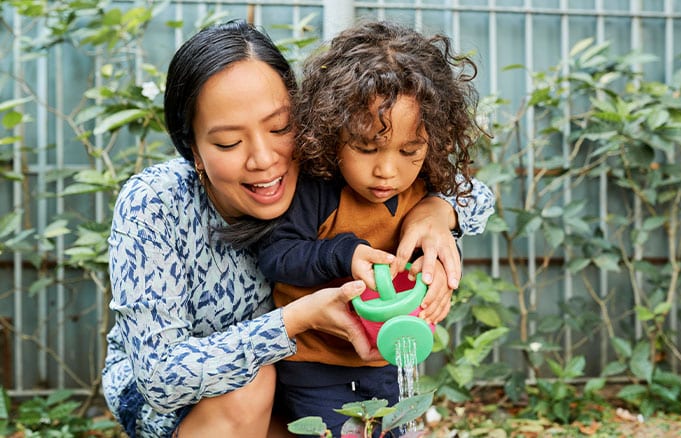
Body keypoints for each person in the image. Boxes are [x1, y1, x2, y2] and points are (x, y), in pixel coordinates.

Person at [101, 19, 494, 438]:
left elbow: (476, 194)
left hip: (300, 388)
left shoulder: (333, 160)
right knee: (251, 385)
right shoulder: (157, 202)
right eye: (229, 143)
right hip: (197, 403)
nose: (263, 158)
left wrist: (438, 211)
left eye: (279, 127)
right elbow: (160, 380)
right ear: (192, 148)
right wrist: (294, 321)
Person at [256, 20, 491, 436]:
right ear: (332, 132)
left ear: (432, 143)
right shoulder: (319, 190)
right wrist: (343, 253)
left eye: (409, 150)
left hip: (389, 356)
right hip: (315, 361)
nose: (387, 170)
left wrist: (435, 280)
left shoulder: (425, 190)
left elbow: (477, 203)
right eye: (366, 148)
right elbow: (277, 256)